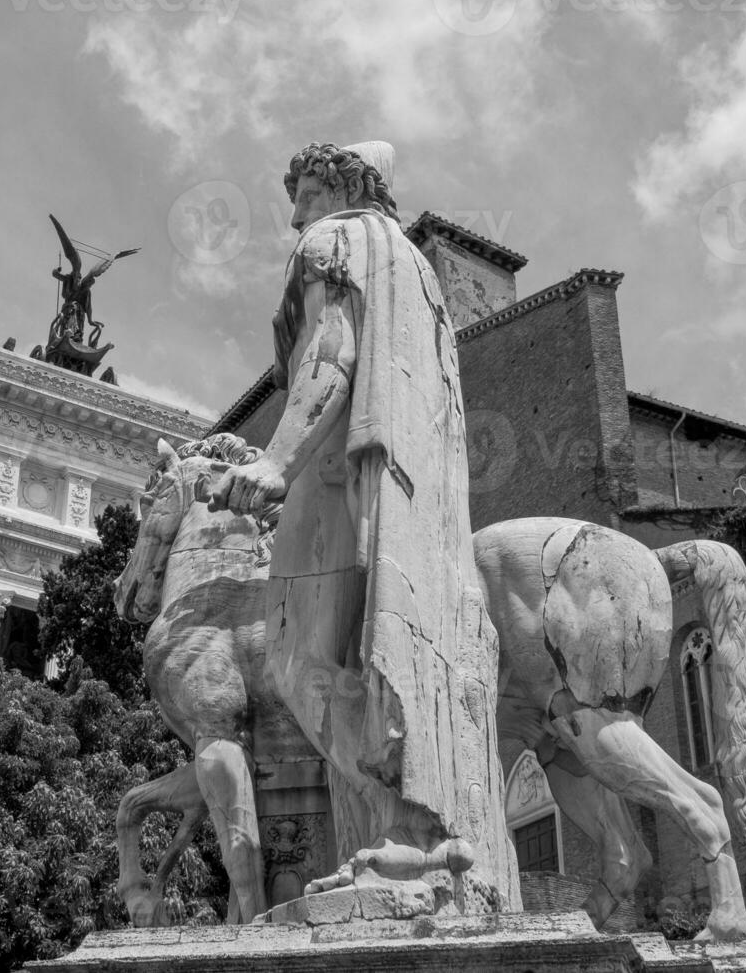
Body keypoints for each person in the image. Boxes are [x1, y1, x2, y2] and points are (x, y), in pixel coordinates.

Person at [211, 142, 517, 910]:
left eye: (307, 189)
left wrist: (274, 462)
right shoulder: (415, 269)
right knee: (380, 650)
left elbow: (330, 354)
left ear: (343, 185)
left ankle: (402, 827)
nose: (294, 213)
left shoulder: (335, 242)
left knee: (299, 661)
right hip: (407, 498)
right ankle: (421, 830)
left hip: (333, 480)